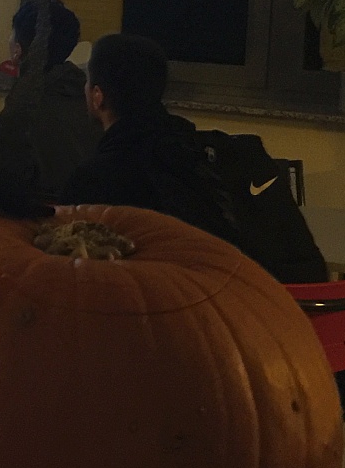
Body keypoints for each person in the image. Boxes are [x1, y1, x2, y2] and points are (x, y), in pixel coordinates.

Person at [62, 33, 326, 283]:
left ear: (97, 96)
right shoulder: (213, 154)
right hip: (293, 304)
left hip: (194, 307)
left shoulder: (96, 181)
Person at [0, 0, 100, 213]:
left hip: (34, 225)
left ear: (18, 50)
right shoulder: (90, 102)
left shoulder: (21, 111)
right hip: (87, 220)